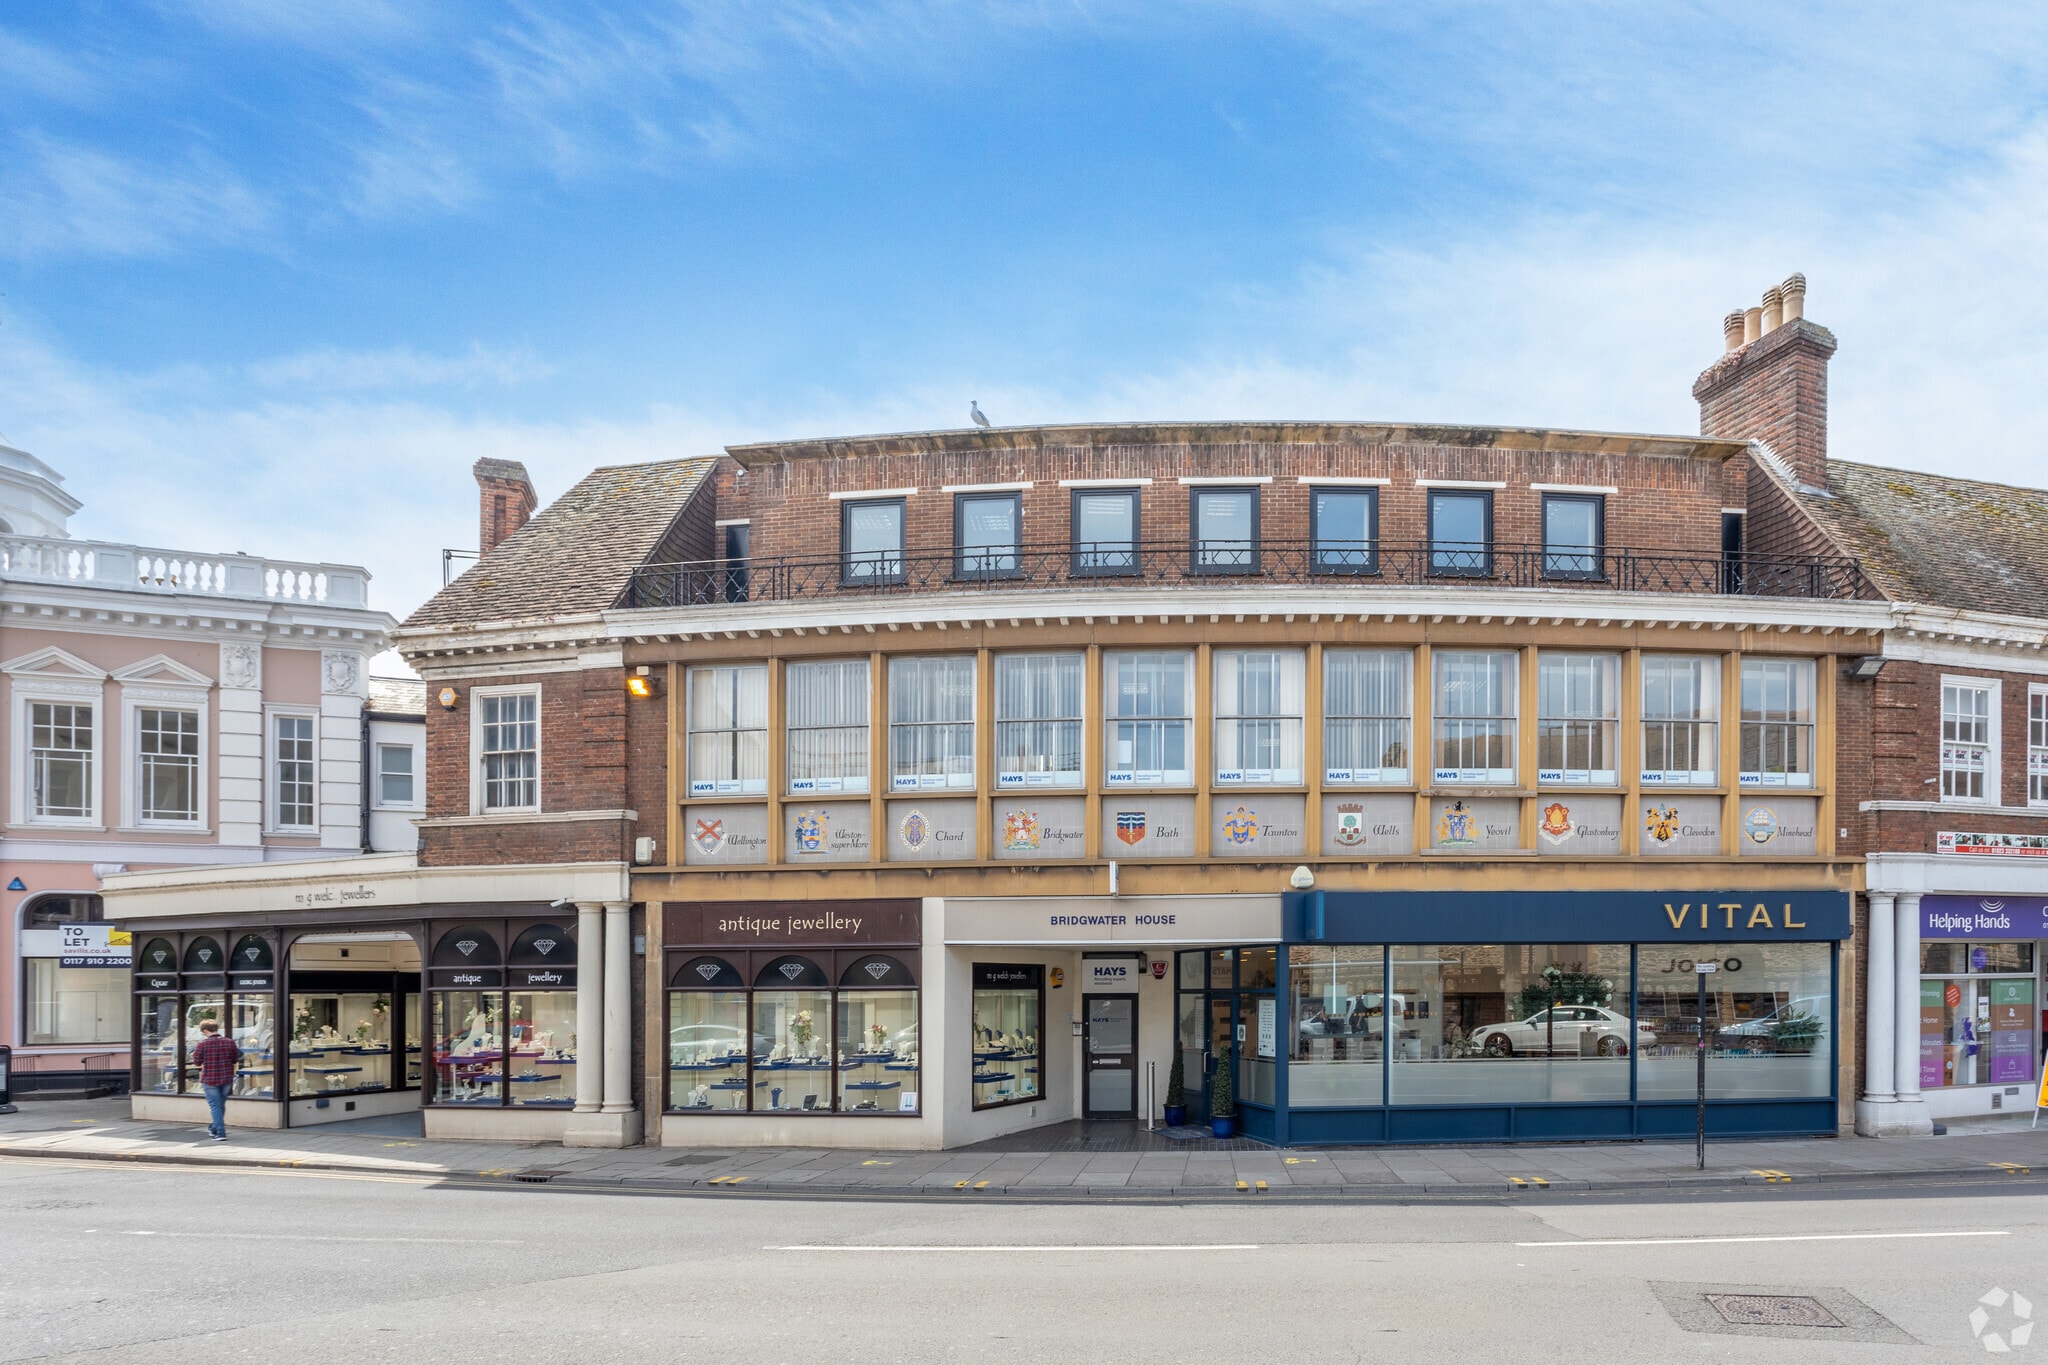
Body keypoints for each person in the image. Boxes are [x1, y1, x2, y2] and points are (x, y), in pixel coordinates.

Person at [191, 1018, 240, 1142]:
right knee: (220, 1105)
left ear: (205, 1030)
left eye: (202, 1031)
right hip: (226, 1078)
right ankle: (213, 1128)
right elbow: (235, 1059)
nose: (202, 1034)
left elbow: (197, 1062)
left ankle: (220, 1132)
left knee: (215, 1106)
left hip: (210, 1078)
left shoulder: (202, 1044)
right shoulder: (230, 1042)